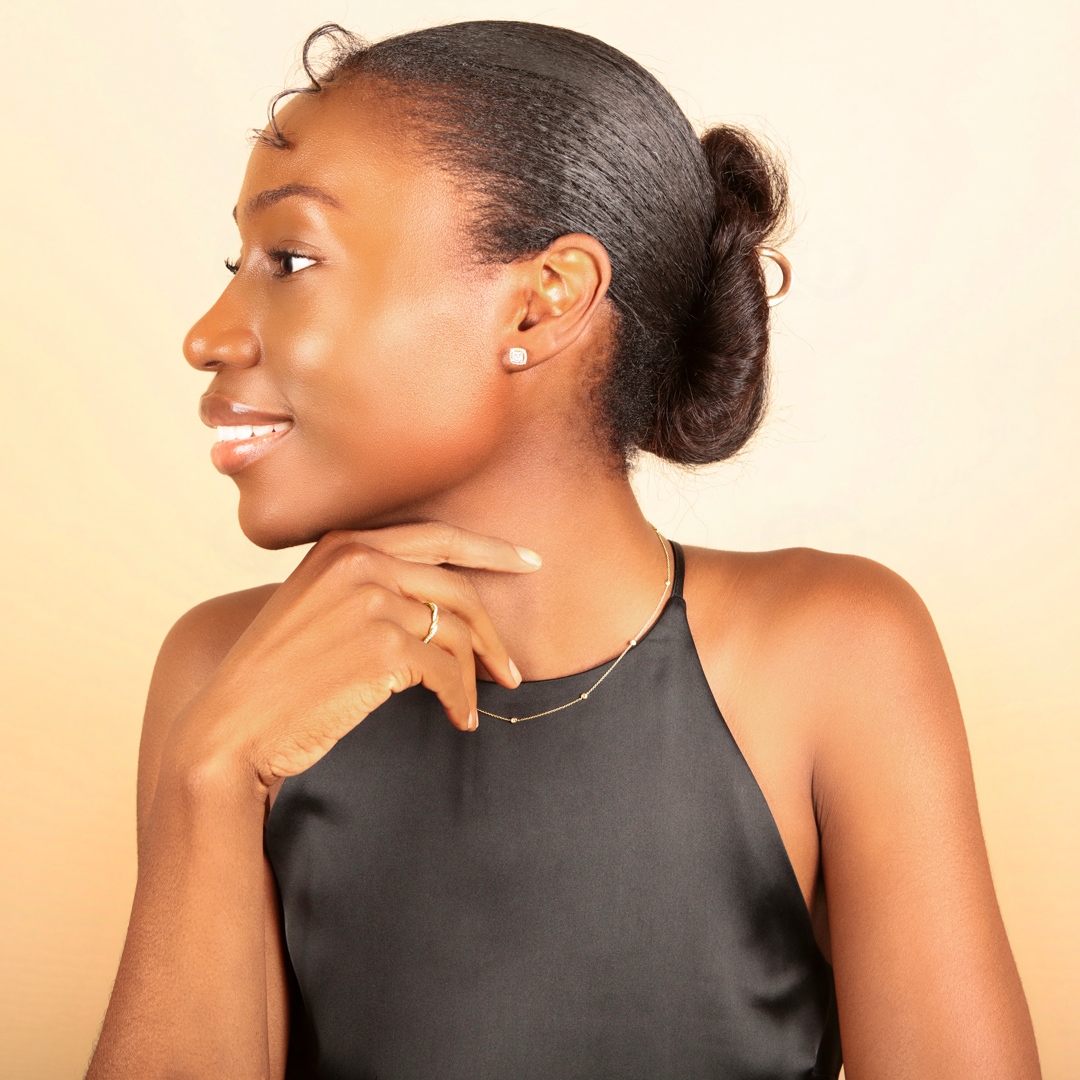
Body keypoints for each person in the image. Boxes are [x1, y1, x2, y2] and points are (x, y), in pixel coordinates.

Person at [86, 20, 1040, 1080]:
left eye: (291, 260)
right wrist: (212, 777)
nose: (208, 336)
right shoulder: (222, 675)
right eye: (240, 263)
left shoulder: (833, 653)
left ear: (543, 304)